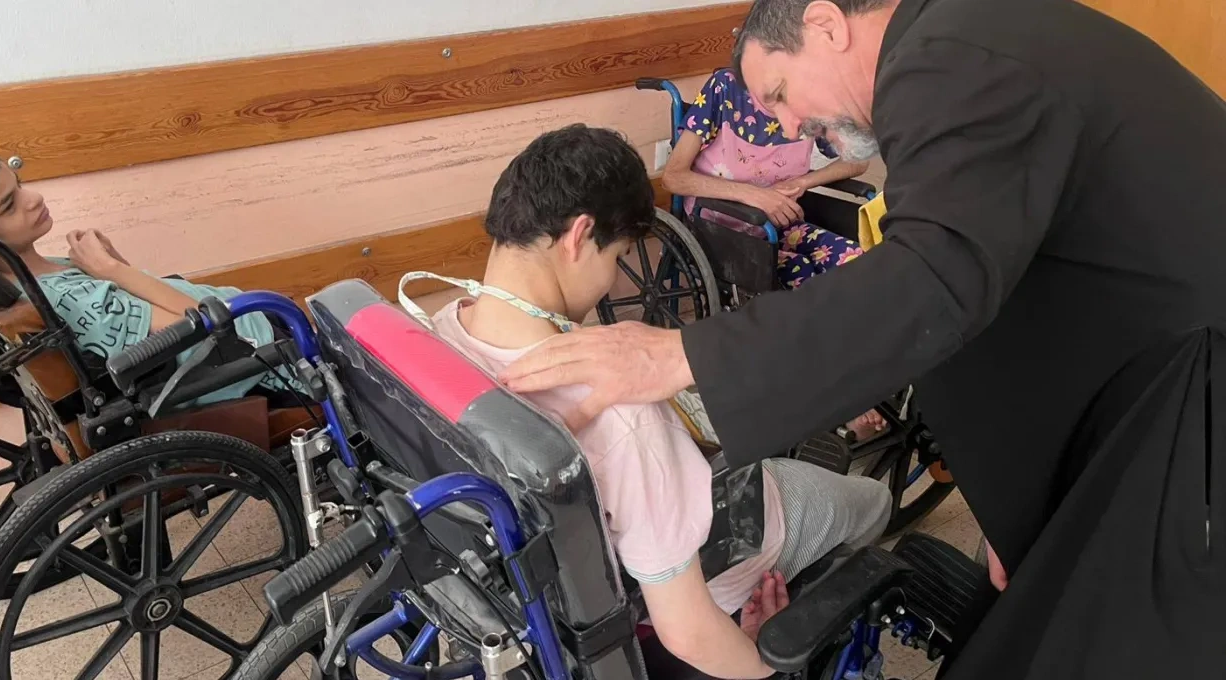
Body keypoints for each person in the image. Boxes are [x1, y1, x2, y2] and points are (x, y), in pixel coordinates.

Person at [497, 1, 1226, 679]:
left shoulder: (948, 57)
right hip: (1144, 357)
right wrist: (1021, 506)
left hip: (1189, 384)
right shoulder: (963, 45)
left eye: (779, 93)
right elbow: (979, 287)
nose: (783, 126)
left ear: (825, 24)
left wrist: (678, 353)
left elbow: (932, 284)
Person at [406, 124, 892, 679]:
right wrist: (765, 668)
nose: (612, 278)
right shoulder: (622, 417)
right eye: (616, 256)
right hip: (718, 542)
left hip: (541, 579)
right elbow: (686, 631)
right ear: (579, 236)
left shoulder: (438, 336)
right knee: (871, 501)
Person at [0, 142, 300, 406]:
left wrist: (112, 267)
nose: (34, 199)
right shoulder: (74, 302)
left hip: (246, 324)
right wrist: (111, 269)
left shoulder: (31, 282)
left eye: (21, 184)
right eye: (10, 205)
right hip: (260, 353)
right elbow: (209, 329)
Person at [666, 66, 885, 438]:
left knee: (857, 265)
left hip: (782, 223)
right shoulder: (726, 88)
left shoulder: (809, 90)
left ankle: (861, 378)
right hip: (722, 224)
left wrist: (802, 181)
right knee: (798, 278)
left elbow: (857, 159)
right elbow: (674, 176)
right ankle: (841, 396)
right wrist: (754, 194)